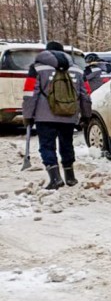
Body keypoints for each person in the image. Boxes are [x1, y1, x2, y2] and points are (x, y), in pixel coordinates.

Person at [22, 41, 92, 190]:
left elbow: (30, 94)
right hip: (69, 114)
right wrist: (86, 115)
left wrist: (28, 115)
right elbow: (85, 94)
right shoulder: (78, 70)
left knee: (47, 146)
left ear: (48, 52)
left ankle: (55, 178)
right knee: (66, 144)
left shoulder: (37, 68)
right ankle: (70, 177)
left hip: (44, 115)